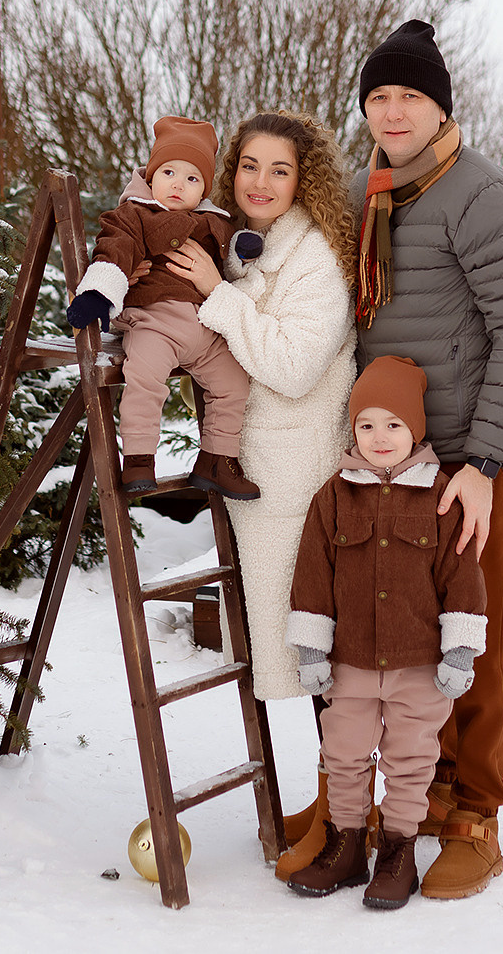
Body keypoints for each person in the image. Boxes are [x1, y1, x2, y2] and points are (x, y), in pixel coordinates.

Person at [348, 19, 503, 900]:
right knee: (397, 639)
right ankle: (414, 799)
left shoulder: (484, 196)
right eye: (379, 97)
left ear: (441, 108)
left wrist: (484, 460)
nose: (392, 111)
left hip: (466, 463)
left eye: (410, 96)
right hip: (388, 464)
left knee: (476, 641)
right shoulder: (373, 196)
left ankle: (475, 814)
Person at [163, 112, 357, 706]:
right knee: (285, 651)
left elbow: (295, 367)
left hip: (297, 475)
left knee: (318, 651)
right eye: (250, 166)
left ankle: (341, 797)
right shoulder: (233, 248)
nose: (261, 183)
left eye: (280, 170)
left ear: (304, 181)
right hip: (250, 468)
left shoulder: (314, 258)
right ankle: (332, 795)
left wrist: (216, 296)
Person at [280, 356, 487, 910]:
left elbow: (462, 577)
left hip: (419, 665)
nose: (379, 437)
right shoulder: (333, 497)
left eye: (393, 424)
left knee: (411, 758)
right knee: (342, 752)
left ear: (415, 428)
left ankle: (398, 849)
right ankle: (346, 845)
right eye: (366, 425)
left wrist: (460, 653)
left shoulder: (441, 497)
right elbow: (312, 577)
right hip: (350, 663)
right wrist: (311, 650)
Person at [65, 115, 259, 500]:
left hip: (205, 330)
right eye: (169, 171)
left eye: (192, 179)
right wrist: (98, 293)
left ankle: (217, 460)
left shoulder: (212, 221)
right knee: (145, 379)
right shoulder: (134, 215)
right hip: (154, 321)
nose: (178, 184)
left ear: (203, 187)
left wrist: (243, 250)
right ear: (151, 176)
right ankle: (139, 457)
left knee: (234, 384)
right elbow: (114, 251)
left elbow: (226, 263)